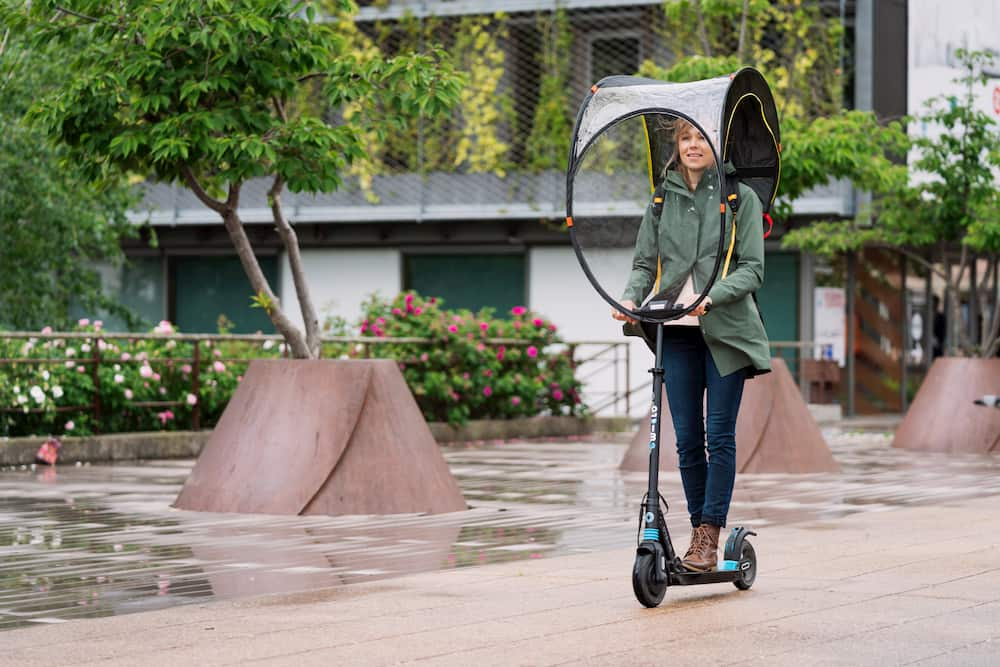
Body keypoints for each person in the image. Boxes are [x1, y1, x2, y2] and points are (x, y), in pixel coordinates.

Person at [612, 118, 771, 572]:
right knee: (685, 441)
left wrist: (711, 297)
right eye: (686, 138)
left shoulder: (741, 199)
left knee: (719, 435)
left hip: (727, 333)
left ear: (718, 147)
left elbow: (752, 269)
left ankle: (708, 534)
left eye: (702, 138)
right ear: (675, 145)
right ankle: (697, 530)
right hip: (675, 332)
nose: (694, 145)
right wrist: (629, 297)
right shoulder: (661, 199)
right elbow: (645, 263)